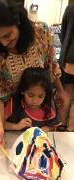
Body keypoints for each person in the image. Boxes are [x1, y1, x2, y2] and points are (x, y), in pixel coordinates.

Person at [0, 0, 64, 146]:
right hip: (12, 112)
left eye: (8, 35)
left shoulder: (40, 32)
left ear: (18, 22)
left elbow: (50, 64)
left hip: (40, 103)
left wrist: (60, 90)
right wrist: (0, 125)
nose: (4, 43)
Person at [4, 67, 60, 133]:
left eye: (40, 96)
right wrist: (16, 126)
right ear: (23, 91)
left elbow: (54, 126)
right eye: (30, 95)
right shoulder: (13, 104)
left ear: (46, 94)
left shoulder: (48, 110)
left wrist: (48, 128)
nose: (35, 101)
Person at [59, 3, 74, 131]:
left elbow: (63, 33)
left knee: (66, 92)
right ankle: (71, 128)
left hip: (70, 57)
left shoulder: (70, 8)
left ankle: (61, 124)